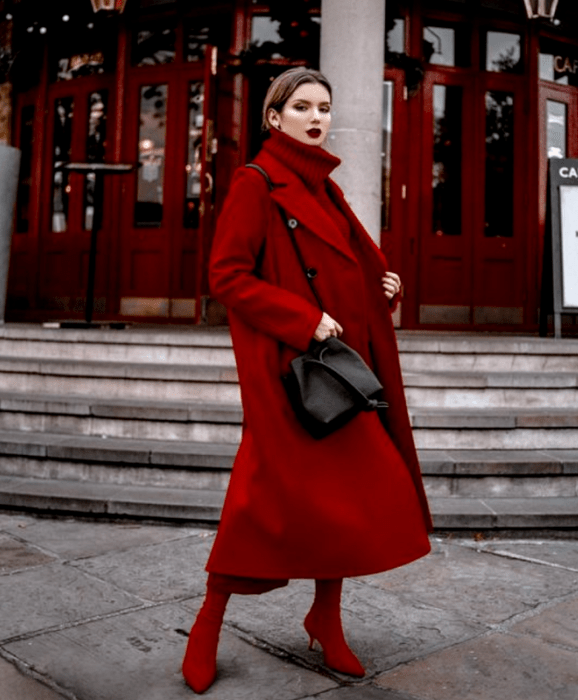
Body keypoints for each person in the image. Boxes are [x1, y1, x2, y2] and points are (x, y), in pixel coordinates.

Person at [182, 66, 432, 694]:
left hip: (338, 373)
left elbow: (342, 269)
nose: (317, 117)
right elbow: (229, 277)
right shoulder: (256, 182)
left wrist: (381, 290)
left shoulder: (326, 187)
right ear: (274, 118)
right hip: (289, 373)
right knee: (258, 501)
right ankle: (208, 622)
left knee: (348, 499)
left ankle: (327, 616)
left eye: (324, 106)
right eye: (302, 107)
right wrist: (304, 318)